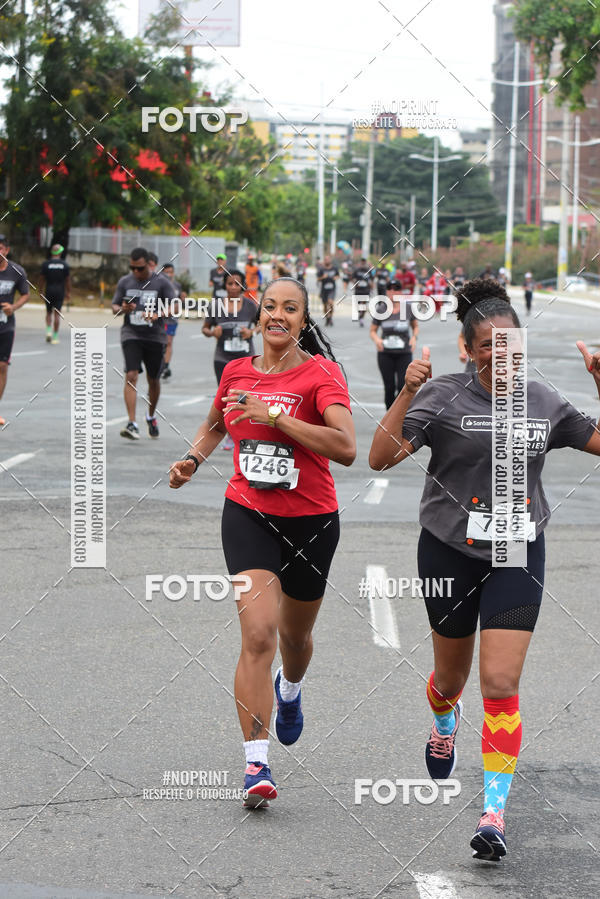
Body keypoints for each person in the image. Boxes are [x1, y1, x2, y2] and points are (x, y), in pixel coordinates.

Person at [369, 284, 600, 862]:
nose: (505, 364)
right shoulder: (443, 397)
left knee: (499, 685)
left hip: (516, 553)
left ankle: (492, 813)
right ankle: (444, 718)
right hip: (447, 549)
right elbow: (380, 456)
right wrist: (407, 392)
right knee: (451, 679)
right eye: (491, 353)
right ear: (467, 350)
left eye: (513, 353)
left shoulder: (545, 402)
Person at [170, 276, 356, 808]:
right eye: (270, 306)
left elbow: (345, 447)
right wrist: (192, 460)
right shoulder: (236, 371)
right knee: (257, 635)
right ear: (259, 316)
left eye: (290, 308)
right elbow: (214, 425)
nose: (278, 315)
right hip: (248, 513)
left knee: (295, 643)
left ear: (304, 319)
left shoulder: (321, 374)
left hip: (312, 522)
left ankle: (290, 690)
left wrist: (275, 416)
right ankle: (256, 763)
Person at [111, 247, 176, 440]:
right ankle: (132, 423)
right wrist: (122, 308)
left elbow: (174, 306)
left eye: (139, 268)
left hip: (155, 337)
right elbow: (114, 305)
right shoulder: (125, 281)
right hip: (131, 333)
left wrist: (158, 314)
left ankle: (150, 415)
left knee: (153, 380)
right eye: (132, 267)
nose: (135, 272)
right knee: (131, 375)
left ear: (148, 264)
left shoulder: (161, 283)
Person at [202, 269, 258, 451]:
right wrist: (213, 332)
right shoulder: (216, 306)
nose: (233, 287)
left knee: (246, 396)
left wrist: (251, 332)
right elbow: (205, 328)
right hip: (222, 358)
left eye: (237, 283)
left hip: (245, 357)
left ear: (243, 286)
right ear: (224, 285)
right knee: (226, 398)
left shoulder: (251, 306)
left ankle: (247, 434)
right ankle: (229, 435)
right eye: (230, 283)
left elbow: (262, 324)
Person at [370, 279, 418, 408]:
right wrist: (377, 340)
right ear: (386, 292)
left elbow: (415, 327)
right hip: (385, 354)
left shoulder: (408, 308)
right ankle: (389, 417)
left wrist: (414, 338)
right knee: (389, 387)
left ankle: (399, 416)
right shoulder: (381, 309)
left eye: (396, 288)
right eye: (390, 289)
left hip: (404, 353)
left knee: (402, 387)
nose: (393, 291)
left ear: (400, 292)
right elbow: (373, 331)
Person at [0, 235, 30, 427]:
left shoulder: (16, 271)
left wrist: (14, 307)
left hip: (6, 326)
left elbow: (25, 294)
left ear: (6, 250)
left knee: (2, 367)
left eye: (0, 248)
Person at [161, 263, 187, 381]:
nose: (169, 274)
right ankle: (160, 364)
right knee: (161, 343)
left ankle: (166, 366)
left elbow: (180, 302)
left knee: (169, 342)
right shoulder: (158, 285)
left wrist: (183, 299)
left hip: (172, 319)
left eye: (171, 272)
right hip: (160, 318)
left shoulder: (177, 286)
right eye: (166, 272)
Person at [40, 244, 70, 344]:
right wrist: (68, 292)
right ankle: (55, 336)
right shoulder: (64, 265)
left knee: (48, 312)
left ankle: (48, 330)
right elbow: (67, 280)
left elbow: (42, 279)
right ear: (60, 252)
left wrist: (40, 290)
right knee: (57, 314)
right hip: (59, 291)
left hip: (49, 290)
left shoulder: (46, 264)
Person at [317, 255, 339, 327]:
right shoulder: (321, 269)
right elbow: (318, 279)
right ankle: (327, 318)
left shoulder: (334, 268)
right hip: (324, 290)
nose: (327, 261)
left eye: (328, 259)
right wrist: (323, 277)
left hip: (332, 289)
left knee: (331, 302)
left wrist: (335, 277)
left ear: (330, 260)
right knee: (325, 305)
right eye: (325, 259)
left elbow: (338, 275)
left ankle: (330, 317)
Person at [351, 257, 373, 327]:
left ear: (365, 263)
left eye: (364, 262)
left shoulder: (368, 271)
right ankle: (360, 314)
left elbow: (371, 279)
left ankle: (361, 318)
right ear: (360, 263)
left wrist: (371, 286)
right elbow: (352, 278)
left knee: (363, 304)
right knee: (358, 305)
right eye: (362, 262)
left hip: (366, 290)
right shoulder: (357, 270)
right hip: (358, 290)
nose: (363, 263)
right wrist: (354, 282)